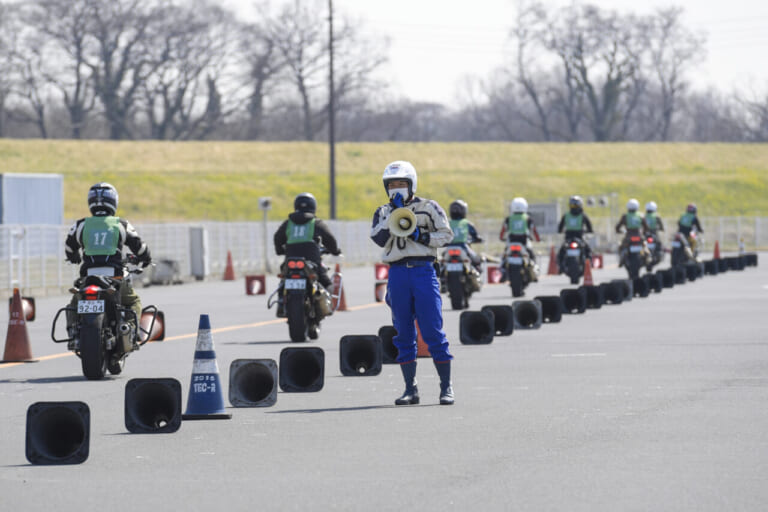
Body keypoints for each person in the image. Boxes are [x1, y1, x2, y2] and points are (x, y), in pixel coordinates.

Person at [370, 161, 455, 405]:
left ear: (411, 184)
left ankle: (446, 386)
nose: (396, 188)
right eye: (391, 185)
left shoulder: (429, 207)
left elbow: (446, 235)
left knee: (432, 330)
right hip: (397, 273)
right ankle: (410, 388)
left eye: (401, 184)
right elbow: (378, 238)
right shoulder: (382, 211)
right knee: (403, 332)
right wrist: (394, 215)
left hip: (423, 270)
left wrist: (422, 236)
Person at [64, 182, 152, 350]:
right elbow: (140, 247)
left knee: (74, 304)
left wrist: (74, 257)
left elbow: (69, 248)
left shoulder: (81, 225)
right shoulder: (121, 224)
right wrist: (145, 258)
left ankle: (73, 333)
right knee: (133, 301)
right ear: (114, 202)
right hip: (115, 278)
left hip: (88, 279)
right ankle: (131, 332)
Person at [273, 193, 342, 314]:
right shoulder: (315, 222)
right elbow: (329, 238)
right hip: (312, 261)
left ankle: (280, 301)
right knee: (325, 281)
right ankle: (325, 306)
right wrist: (335, 251)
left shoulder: (288, 223)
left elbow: (277, 237)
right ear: (313, 206)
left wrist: (279, 251)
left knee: (284, 278)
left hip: (290, 260)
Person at [499, 197, 540, 268]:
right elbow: (534, 230)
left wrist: (501, 238)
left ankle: (502, 268)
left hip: (511, 241)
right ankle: (534, 266)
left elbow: (503, 231)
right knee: (531, 255)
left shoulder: (509, 218)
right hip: (524, 242)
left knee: (504, 256)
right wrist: (538, 239)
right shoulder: (527, 218)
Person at [557, 195, 593, 271]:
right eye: (573, 206)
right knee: (562, 251)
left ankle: (589, 264)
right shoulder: (567, 215)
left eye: (576, 206)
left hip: (577, 237)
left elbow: (589, 226)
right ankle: (560, 266)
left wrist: (560, 231)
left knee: (587, 250)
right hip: (571, 238)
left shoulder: (581, 216)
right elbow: (560, 226)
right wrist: (589, 231)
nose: (574, 208)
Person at [447, 199, 484, 272]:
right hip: (463, 246)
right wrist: (478, 239)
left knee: (442, 261)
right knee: (476, 260)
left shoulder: (447, 223)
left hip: (449, 247)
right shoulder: (466, 223)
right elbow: (475, 235)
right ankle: (476, 272)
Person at [615, 198, 649, 267]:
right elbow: (646, 227)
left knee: (621, 247)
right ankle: (647, 258)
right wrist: (644, 232)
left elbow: (618, 227)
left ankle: (621, 260)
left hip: (628, 236)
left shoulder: (625, 216)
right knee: (645, 247)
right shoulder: (641, 215)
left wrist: (619, 231)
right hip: (639, 235)